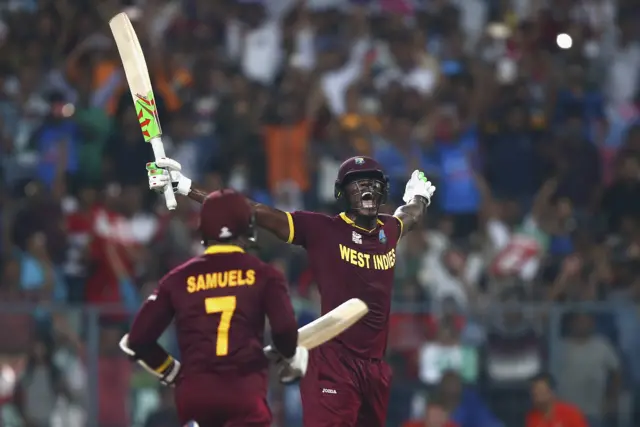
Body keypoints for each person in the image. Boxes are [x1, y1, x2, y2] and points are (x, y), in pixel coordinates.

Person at [147, 155, 436, 426]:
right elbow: (252, 211)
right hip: (332, 364)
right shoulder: (323, 229)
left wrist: (419, 197)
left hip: (374, 369)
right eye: (357, 184)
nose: (366, 190)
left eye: (372, 183)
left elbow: (409, 214)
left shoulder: (389, 230)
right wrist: (185, 187)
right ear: (342, 193)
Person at [120, 189, 308, 427]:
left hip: (195, 398)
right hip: (244, 395)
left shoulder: (177, 279)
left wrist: (174, 373)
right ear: (247, 228)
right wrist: (291, 355)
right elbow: (283, 330)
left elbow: (136, 340)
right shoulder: (265, 275)